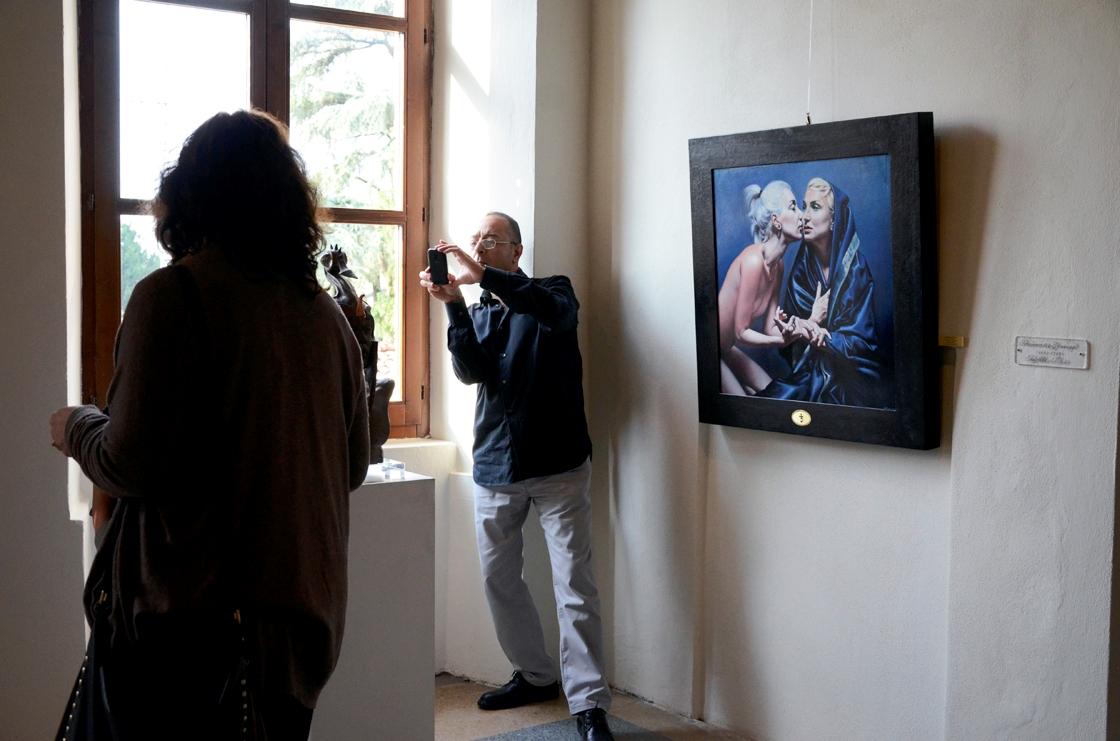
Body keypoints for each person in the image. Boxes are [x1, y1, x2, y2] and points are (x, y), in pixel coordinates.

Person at [49, 110, 370, 740]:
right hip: (301, 630)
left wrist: (75, 424)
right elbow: (352, 465)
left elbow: (128, 460)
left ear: (188, 195)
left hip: (193, 634)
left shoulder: (173, 296)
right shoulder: (325, 318)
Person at [419, 212, 614, 741]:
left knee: (574, 584)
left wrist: (483, 278)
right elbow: (471, 372)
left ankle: (589, 703)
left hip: (559, 466)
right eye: (475, 239)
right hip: (496, 465)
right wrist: (454, 304)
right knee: (498, 579)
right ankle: (534, 675)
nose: (478, 246)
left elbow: (552, 312)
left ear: (516, 251)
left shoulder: (554, 291)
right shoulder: (481, 311)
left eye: (490, 239)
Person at [758, 177, 885, 407]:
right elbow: (791, 346)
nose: (804, 216)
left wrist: (823, 338)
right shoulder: (802, 269)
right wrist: (797, 328)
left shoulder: (855, 269)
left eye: (815, 207)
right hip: (809, 373)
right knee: (770, 402)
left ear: (835, 219)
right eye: (804, 206)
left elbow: (864, 346)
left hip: (851, 380)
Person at [716, 180, 823, 395]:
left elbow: (770, 327)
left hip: (726, 348)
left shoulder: (777, 265)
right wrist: (779, 340)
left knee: (773, 392)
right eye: (793, 207)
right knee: (748, 400)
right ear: (776, 221)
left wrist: (804, 325)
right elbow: (741, 332)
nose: (802, 215)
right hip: (708, 350)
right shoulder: (754, 261)